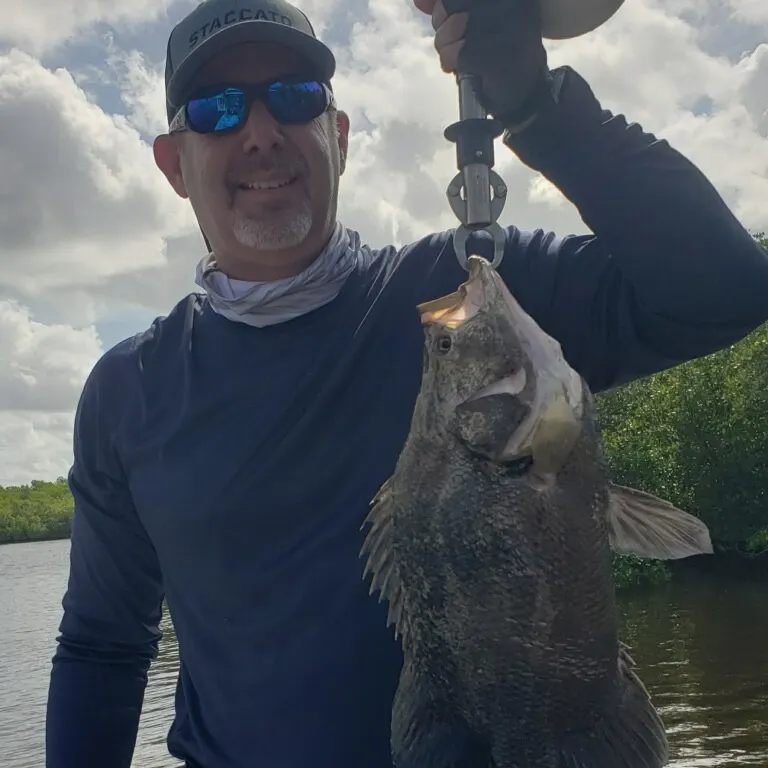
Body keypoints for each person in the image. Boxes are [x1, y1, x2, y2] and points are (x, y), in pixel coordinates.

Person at [45, 0, 768, 766]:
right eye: (216, 110)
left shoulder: (465, 297)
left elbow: (723, 291)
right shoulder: (128, 392)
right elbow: (101, 646)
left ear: (340, 136)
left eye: (295, 97)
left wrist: (539, 109)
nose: (259, 133)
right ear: (172, 164)